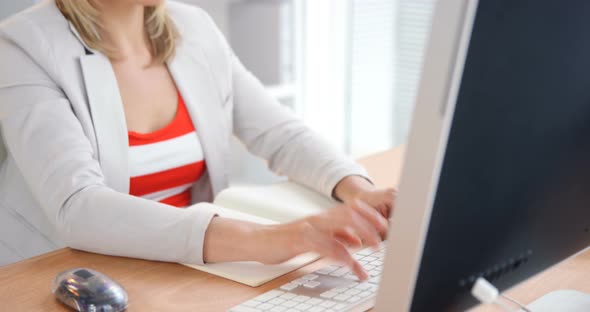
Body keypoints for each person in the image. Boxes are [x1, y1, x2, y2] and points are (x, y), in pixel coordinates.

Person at [0, 0, 394, 279]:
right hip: (66, 276)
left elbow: (279, 133)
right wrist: (272, 239)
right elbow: (79, 207)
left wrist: (358, 191)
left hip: (183, 268)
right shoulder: (22, 45)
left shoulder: (194, 28)